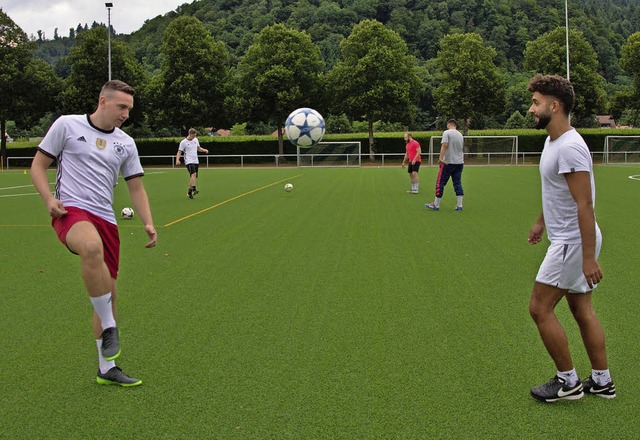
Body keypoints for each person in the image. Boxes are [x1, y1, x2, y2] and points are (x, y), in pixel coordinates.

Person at [30, 80, 158, 387]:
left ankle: (106, 368)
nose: (126, 114)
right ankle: (111, 325)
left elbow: (135, 187)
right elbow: (38, 165)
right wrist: (49, 199)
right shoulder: (67, 126)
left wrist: (148, 222)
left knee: (108, 292)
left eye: (129, 108)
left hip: (106, 219)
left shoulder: (126, 143)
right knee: (90, 246)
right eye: (121, 107)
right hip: (71, 211)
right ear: (103, 101)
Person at [526, 74, 614, 402]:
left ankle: (568, 382)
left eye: (536, 102)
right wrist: (541, 222)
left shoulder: (571, 148)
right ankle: (602, 381)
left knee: (539, 308)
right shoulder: (553, 142)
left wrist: (588, 257)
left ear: (555, 105)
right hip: (568, 239)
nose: (531, 108)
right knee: (581, 309)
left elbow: (584, 203)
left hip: (573, 243)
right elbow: (557, 192)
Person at [425, 119, 464, 211]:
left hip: (448, 162)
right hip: (459, 162)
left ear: (448, 125)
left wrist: (440, 158)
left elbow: (444, 145)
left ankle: (436, 204)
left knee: (440, 182)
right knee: (457, 183)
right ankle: (459, 205)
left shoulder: (447, 133)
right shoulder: (460, 134)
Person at [176, 128, 209, 199]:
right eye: (193, 136)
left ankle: (189, 192)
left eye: (195, 136)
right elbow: (179, 151)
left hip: (195, 161)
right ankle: (194, 189)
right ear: (190, 134)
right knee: (193, 174)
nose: (194, 137)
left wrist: (204, 150)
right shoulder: (183, 142)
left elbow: (198, 148)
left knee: (193, 176)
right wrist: (177, 160)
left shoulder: (195, 140)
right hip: (189, 161)